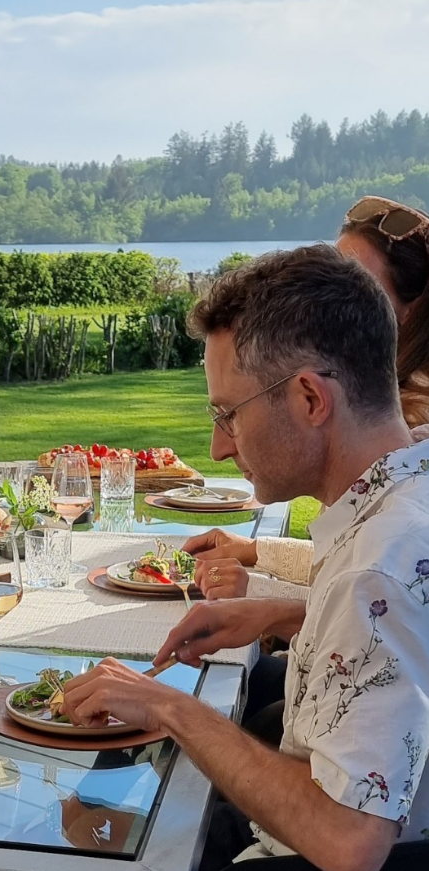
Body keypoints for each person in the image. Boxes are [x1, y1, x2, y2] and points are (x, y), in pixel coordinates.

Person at [63, 244, 429, 870]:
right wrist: (281, 613)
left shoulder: (377, 567)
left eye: (228, 414)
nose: (218, 446)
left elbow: (350, 842)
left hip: (295, 849)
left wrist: (170, 708)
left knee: (76, 826)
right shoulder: (404, 489)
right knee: (95, 812)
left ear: (310, 399)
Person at [189, 195, 429, 602]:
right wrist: (258, 551)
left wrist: (265, 603)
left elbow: (376, 585)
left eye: (354, 281)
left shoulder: (400, 422)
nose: (325, 295)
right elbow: (348, 554)